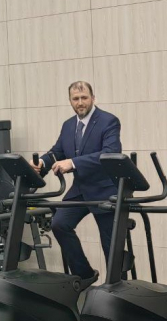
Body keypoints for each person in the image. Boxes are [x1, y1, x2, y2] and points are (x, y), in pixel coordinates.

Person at [31, 81, 121, 290]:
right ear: (70, 101)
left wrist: (72, 163)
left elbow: (109, 153)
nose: (80, 103)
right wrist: (42, 162)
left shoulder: (108, 121)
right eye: (75, 99)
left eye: (84, 98)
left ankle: (117, 288)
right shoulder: (68, 125)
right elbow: (58, 152)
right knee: (59, 224)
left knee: (110, 244)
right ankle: (84, 274)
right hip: (81, 189)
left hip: (105, 189)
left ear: (93, 98)